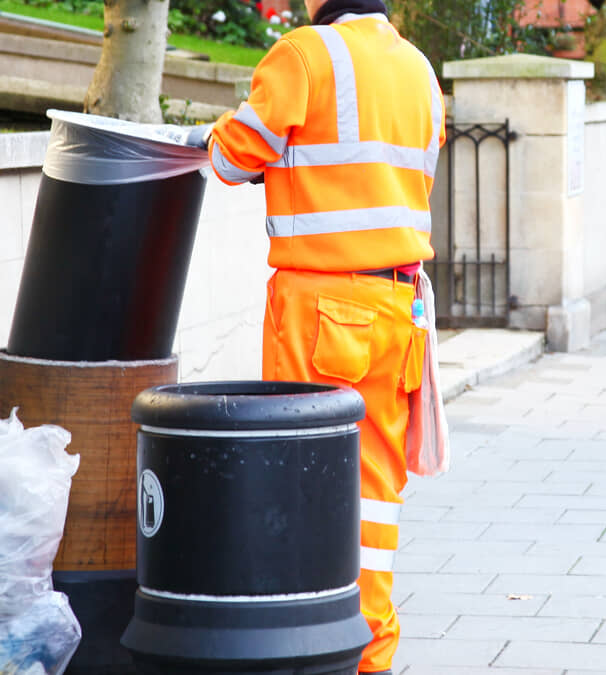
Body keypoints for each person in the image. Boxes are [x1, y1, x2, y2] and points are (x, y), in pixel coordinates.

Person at [189, 1, 445, 672]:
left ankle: (314, 644)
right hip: (397, 307)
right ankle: (371, 650)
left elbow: (231, 158)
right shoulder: (420, 69)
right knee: (376, 493)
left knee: (299, 483)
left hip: (322, 307)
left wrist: (203, 134)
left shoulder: (305, 54)